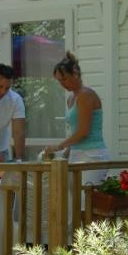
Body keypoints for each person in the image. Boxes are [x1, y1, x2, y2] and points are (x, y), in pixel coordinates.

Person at [43, 51, 110, 185]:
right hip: (76, 154)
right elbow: (74, 132)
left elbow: (83, 132)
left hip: (93, 155)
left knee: (85, 201)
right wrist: (65, 152)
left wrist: (58, 146)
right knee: (75, 203)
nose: (62, 84)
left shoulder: (86, 95)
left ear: (75, 73)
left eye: (64, 79)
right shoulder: (71, 98)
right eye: (59, 81)